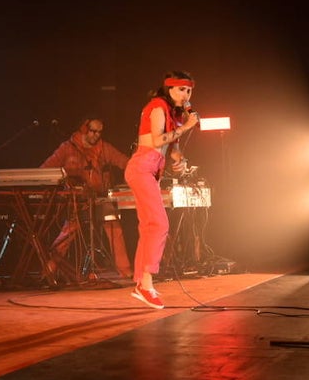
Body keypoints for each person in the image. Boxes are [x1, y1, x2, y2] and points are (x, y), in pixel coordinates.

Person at [124, 71, 200, 308]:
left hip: (152, 170)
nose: (185, 95)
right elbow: (157, 141)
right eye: (181, 90)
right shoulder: (157, 106)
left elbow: (172, 147)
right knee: (159, 224)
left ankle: (141, 283)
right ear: (169, 89)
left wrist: (180, 161)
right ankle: (146, 284)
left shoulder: (173, 114)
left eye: (188, 90)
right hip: (141, 167)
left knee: (148, 226)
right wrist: (187, 126)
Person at [41, 117, 133, 280]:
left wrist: (137, 171)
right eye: (93, 131)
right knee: (68, 232)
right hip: (76, 202)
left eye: (99, 132)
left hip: (98, 200)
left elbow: (124, 161)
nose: (97, 135)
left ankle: (125, 270)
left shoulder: (104, 148)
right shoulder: (67, 148)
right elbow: (45, 170)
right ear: (84, 129)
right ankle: (50, 269)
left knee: (114, 226)